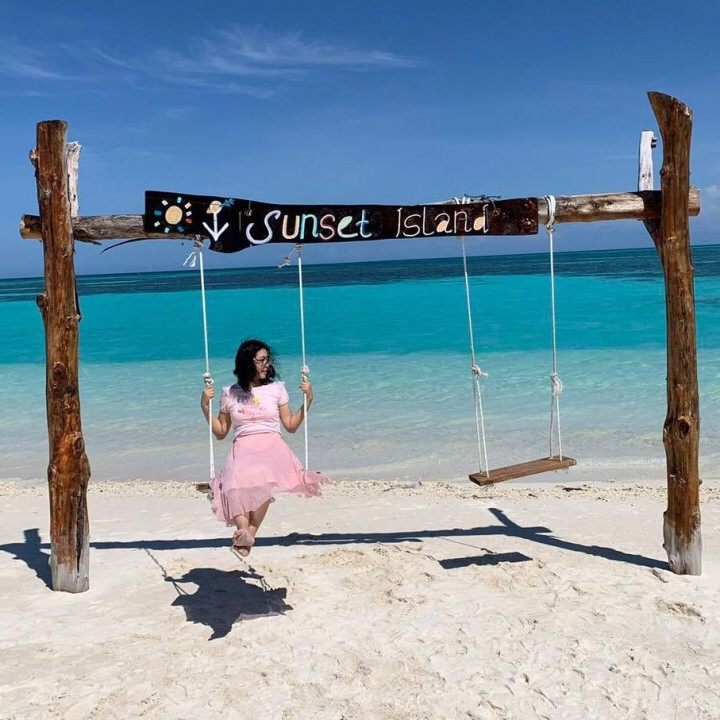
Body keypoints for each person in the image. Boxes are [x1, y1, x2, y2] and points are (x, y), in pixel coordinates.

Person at [200, 338, 329, 557]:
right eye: (261, 360)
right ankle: (243, 530)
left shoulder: (276, 389)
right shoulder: (229, 393)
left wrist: (308, 401)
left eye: (267, 359)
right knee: (231, 481)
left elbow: (290, 425)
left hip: (271, 444)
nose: (267, 364)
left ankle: (249, 533)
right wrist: (204, 405)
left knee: (264, 478)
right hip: (243, 444)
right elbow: (221, 432)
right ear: (247, 362)